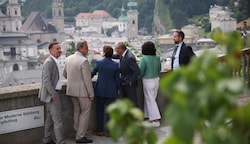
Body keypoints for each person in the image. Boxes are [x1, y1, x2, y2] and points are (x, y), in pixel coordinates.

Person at [63, 40, 94, 143]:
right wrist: (91, 94)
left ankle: (77, 131)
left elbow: (64, 74)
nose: (87, 49)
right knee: (85, 112)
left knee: (77, 111)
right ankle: (80, 136)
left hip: (71, 89)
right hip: (82, 91)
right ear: (80, 48)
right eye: (86, 47)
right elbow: (87, 80)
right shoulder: (83, 61)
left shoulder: (68, 59)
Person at [38, 42, 65, 144]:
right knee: (58, 120)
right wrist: (53, 94)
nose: (59, 50)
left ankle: (47, 139)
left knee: (50, 119)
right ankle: (60, 142)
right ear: (51, 51)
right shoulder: (49, 62)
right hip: (52, 95)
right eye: (57, 49)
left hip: (51, 94)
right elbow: (47, 80)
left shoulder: (54, 61)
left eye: (60, 48)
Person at [91, 45, 120, 137]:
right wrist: (117, 89)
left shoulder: (99, 63)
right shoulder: (115, 65)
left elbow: (91, 74)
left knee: (99, 111)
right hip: (112, 91)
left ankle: (100, 130)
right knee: (110, 112)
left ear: (104, 53)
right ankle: (109, 131)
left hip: (100, 90)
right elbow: (117, 79)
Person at [139, 41, 161, 127]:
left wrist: (139, 76)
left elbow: (141, 71)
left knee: (150, 100)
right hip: (156, 79)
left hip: (147, 80)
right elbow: (159, 69)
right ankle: (148, 117)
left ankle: (156, 120)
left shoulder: (144, 59)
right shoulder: (157, 58)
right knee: (151, 99)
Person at [113, 41, 140, 107]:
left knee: (133, 102)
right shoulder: (123, 54)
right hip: (124, 82)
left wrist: (131, 81)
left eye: (116, 49)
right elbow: (115, 56)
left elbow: (137, 71)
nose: (115, 50)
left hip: (129, 84)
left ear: (120, 49)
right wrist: (104, 53)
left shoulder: (129, 57)